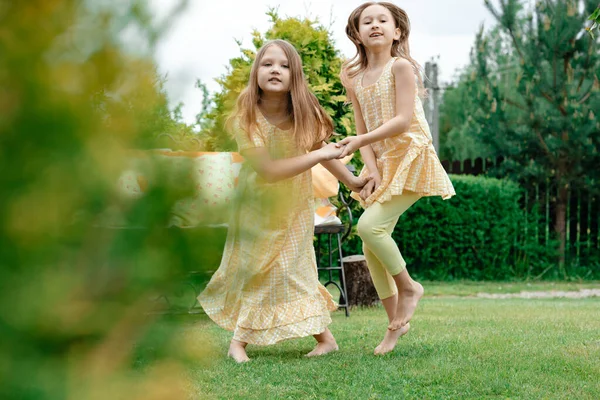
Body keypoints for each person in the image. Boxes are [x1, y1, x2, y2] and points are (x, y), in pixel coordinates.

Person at [198, 39, 368, 363]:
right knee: (256, 269)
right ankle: (242, 340)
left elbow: (325, 151)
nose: (275, 70)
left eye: (284, 65)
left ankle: (311, 340)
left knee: (295, 270)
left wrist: (354, 181)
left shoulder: (305, 111)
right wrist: (317, 153)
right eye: (267, 64)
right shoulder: (246, 114)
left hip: (295, 206)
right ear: (256, 72)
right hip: (255, 206)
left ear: (295, 75)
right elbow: (269, 171)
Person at [337, 2, 455, 355]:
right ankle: (395, 326)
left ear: (397, 31)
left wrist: (361, 143)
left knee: (369, 227)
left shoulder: (400, 67)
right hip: (383, 161)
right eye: (366, 21)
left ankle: (409, 287)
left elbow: (403, 121)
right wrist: (370, 167)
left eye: (382, 20)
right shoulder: (354, 78)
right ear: (357, 33)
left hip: (412, 155)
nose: (374, 25)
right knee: (371, 244)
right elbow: (361, 128)